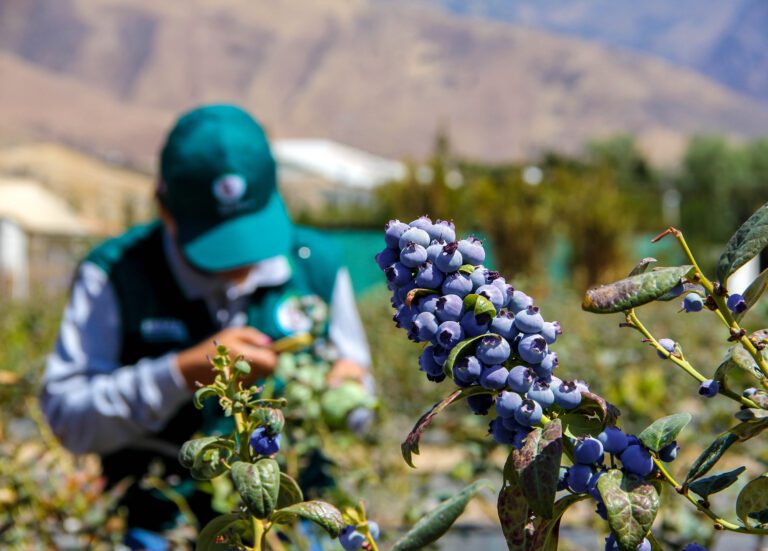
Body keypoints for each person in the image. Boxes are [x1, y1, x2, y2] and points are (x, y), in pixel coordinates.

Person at [40, 104, 371, 546]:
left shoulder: (318, 264)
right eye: (216, 240)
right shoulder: (115, 275)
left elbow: (362, 402)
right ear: (164, 209)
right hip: (162, 530)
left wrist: (347, 396)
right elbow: (69, 419)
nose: (239, 261)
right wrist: (180, 372)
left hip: (295, 531)